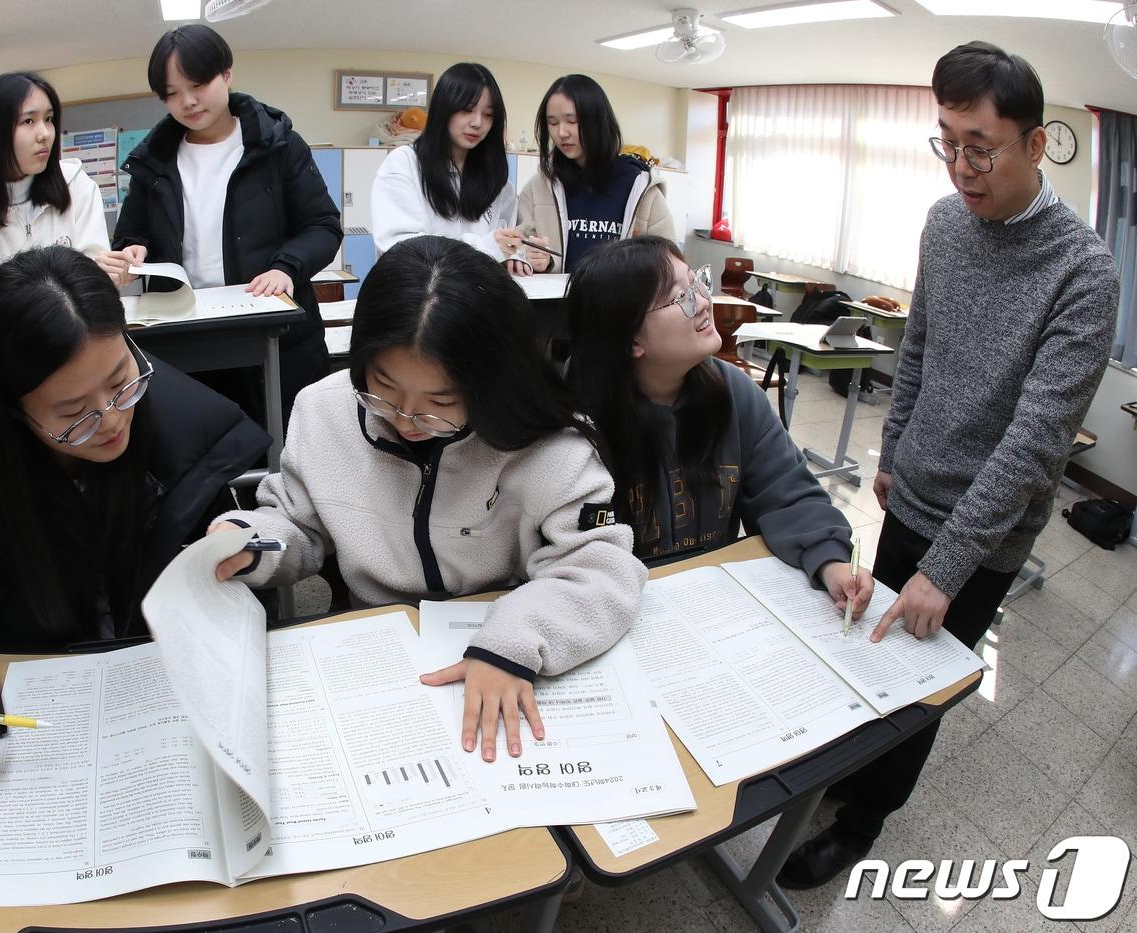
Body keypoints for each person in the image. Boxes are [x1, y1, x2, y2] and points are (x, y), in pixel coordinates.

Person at [778, 41, 1120, 889]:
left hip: (985, 532)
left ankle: (862, 820)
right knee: (867, 644)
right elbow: (919, 342)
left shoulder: (1084, 271)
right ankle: (842, 772)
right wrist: (892, 451)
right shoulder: (943, 221)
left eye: (981, 145)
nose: (962, 166)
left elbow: (1036, 439)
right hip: (913, 491)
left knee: (919, 690)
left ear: (1035, 145)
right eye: (947, 141)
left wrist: (948, 565)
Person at [207, 236, 647, 762]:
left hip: (504, 639)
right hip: (374, 649)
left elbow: (602, 566)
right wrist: (254, 543)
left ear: (492, 382)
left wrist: (516, 640)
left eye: (441, 403)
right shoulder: (324, 410)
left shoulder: (549, 441)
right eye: (383, 388)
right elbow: (299, 526)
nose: (406, 420)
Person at [0, 246, 270, 762]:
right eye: (72, 412)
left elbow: (214, 544)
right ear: (11, 410)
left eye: (120, 382)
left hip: (168, 694)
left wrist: (236, 544)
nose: (110, 420)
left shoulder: (181, 427)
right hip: (43, 716)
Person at [565, 236, 874, 608]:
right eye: (681, 297)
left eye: (697, 281)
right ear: (631, 339)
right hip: (620, 609)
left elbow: (787, 495)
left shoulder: (735, 393)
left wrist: (831, 561)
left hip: (716, 603)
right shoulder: (574, 423)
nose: (703, 302)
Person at [111, 23, 341, 415]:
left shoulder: (277, 144)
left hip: (272, 328)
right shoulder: (156, 160)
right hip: (185, 333)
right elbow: (131, 236)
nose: (188, 102)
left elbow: (322, 225)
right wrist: (131, 254)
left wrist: (286, 267)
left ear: (226, 74)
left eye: (198, 84)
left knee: (285, 445)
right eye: (171, 94)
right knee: (204, 454)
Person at [0, 71, 136, 314]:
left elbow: (97, 291)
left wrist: (106, 274)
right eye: (28, 121)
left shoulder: (77, 186)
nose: (45, 133)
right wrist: (81, 277)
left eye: (49, 118)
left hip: (85, 347)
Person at [511, 74, 676, 276]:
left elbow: (670, 265)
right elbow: (515, 248)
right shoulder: (538, 187)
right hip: (556, 306)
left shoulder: (640, 188)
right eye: (553, 123)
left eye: (572, 121)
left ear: (598, 121)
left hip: (619, 306)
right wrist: (531, 258)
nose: (562, 132)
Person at [370, 62, 521, 262]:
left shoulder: (497, 182)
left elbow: (506, 242)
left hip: (479, 291)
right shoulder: (404, 164)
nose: (477, 123)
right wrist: (486, 247)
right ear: (443, 109)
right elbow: (402, 250)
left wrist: (518, 257)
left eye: (488, 114)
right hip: (423, 291)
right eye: (467, 110)